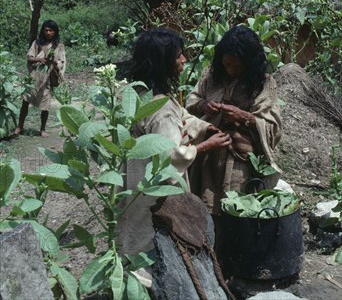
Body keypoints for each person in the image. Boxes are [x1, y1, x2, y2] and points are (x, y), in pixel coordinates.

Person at [116, 28, 231, 262]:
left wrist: (204, 126)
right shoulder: (162, 111)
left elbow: (181, 115)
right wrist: (205, 146)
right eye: (178, 55)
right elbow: (167, 159)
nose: (183, 60)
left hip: (131, 175)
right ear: (163, 62)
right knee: (149, 239)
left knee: (130, 227)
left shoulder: (137, 93)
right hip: (152, 186)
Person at [186, 25, 282, 219]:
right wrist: (204, 105)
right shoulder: (211, 76)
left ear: (250, 63)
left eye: (237, 67)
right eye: (227, 64)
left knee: (237, 208)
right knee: (204, 207)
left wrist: (244, 117)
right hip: (207, 155)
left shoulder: (264, 84)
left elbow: (273, 127)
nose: (230, 71)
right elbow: (190, 102)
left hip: (239, 162)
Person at [15, 19, 66, 137]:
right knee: (26, 101)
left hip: (47, 79)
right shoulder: (37, 43)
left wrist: (54, 62)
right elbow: (29, 58)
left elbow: (61, 62)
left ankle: (42, 129)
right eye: (46, 30)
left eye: (51, 30)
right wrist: (40, 59)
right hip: (34, 78)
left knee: (45, 106)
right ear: (43, 31)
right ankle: (19, 126)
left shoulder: (58, 46)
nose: (48, 33)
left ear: (55, 32)